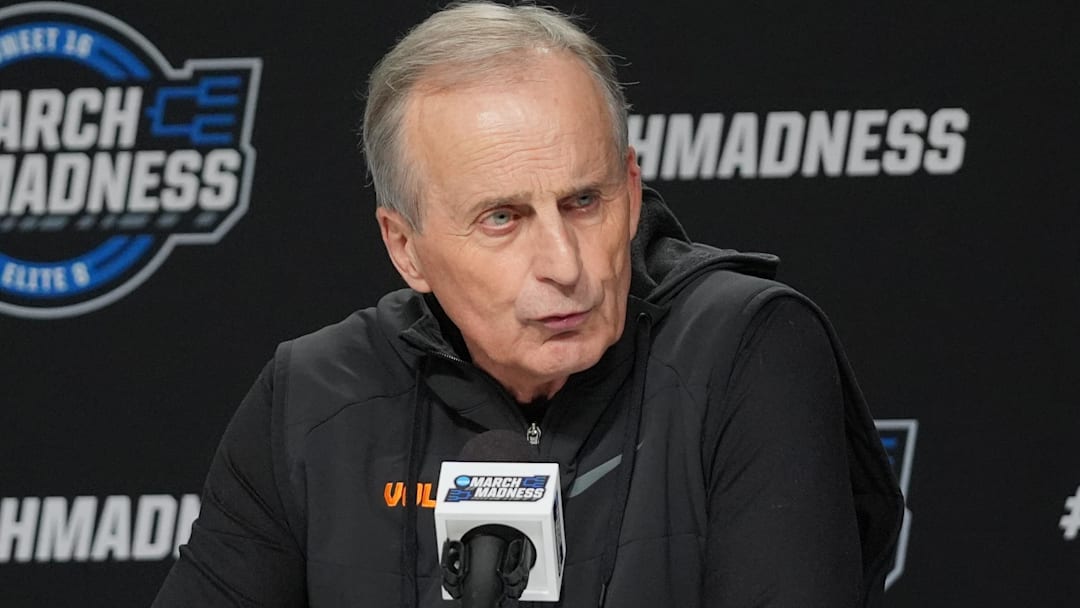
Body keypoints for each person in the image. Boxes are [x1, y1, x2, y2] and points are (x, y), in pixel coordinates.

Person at [153, 2, 903, 606]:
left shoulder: (745, 350)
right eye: (502, 219)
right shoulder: (313, 397)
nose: (565, 266)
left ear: (633, 191)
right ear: (405, 247)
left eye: (585, 202)